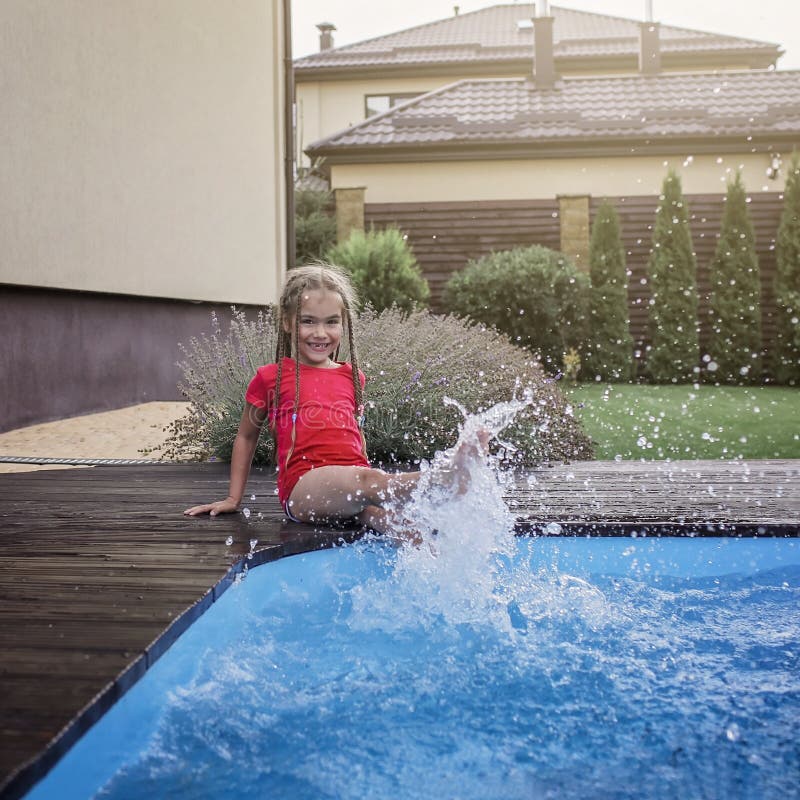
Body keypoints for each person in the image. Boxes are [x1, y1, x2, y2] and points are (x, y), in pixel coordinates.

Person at [183, 263, 482, 536]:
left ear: (343, 324)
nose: (320, 333)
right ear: (287, 322)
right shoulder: (270, 377)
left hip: (350, 486)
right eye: (309, 321)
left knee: (392, 522)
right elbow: (246, 437)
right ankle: (445, 479)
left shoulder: (353, 377)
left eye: (331, 322)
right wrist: (234, 498)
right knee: (367, 483)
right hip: (303, 490)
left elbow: (354, 435)